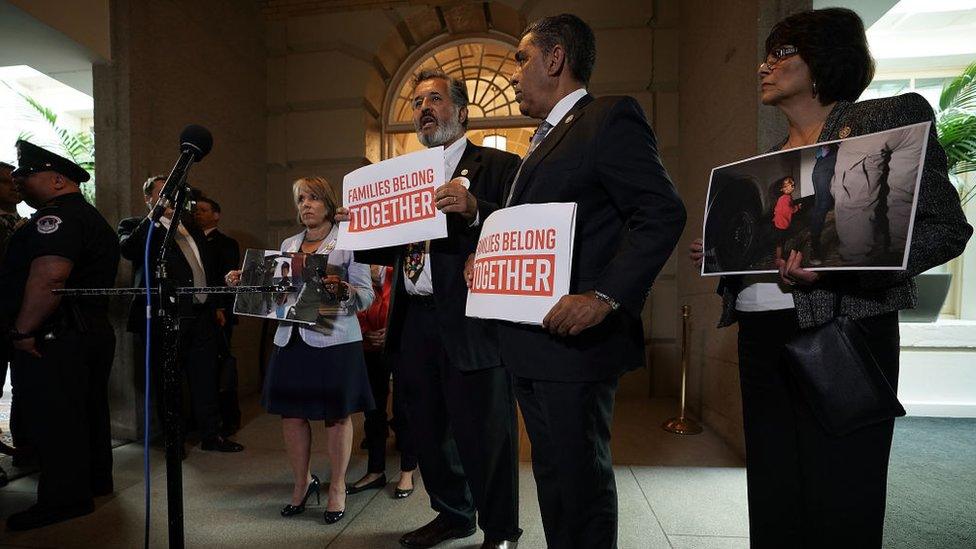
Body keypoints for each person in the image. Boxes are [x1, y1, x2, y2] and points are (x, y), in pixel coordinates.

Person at [689, 8, 972, 548]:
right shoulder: (767, 161)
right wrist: (728, 253)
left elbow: (945, 228)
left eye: (779, 55)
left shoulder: (883, 120)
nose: (762, 67)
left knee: (841, 495)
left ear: (820, 62)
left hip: (838, 334)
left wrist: (842, 267)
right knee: (774, 495)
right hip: (759, 340)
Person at [497, 14, 686, 549]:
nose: (513, 73)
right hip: (532, 345)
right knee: (553, 479)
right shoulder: (539, 142)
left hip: (576, 346)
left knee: (581, 483)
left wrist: (604, 297)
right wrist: (486, 258)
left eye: (520, 57)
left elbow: (661, 211)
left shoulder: (607, 118)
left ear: (555, 59)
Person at [337, 69, 523, 549]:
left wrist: (474, 208)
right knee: (426, 428)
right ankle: (453, 513)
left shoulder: (500, 166)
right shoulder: (400, 178)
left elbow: (523, 228)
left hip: (473, 318)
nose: (424, 108)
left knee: (485, 431)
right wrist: (359, 228)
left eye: (435, 99)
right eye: (417, 101)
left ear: (461, 112)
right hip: (414, 319)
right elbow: (389, 252)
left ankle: (500, 530)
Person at [226, 176, 374, 524]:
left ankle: (337, 486)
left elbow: (365, 296)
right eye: (300, 200)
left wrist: (343, 289)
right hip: (291, 340)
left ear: (328, 203)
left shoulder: (350, 240)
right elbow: (276, 297)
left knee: (337, 415)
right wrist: (246, 281)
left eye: (313, 198)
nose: (305, 205)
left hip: (335, 339)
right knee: (292, 415)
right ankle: (302, 483)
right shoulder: (288, 242)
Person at [0, 141, 118, 530]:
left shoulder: (57, 219)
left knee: (57, 416)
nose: (19, 182)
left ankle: (63, 500)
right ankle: (95, 482)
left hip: (57, 334)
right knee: (87, 412)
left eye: (26, 175)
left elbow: (50, 276)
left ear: (55, 180)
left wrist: (23, 330)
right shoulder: (86, 215)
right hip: (86, 331)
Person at [118, 175, 244, 454]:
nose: (169, 198)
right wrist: (154, 215)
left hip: (201, 315)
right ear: (148, 197)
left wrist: (216, 305)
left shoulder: (190, 226)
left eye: (172, 193)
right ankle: (173, 440)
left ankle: (212, 435)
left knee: (205, 376)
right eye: (162, 193)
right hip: (166, 315)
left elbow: (205, 269)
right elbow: (128, 249)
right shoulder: (136, 225)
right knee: (168, 379)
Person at [349, 264, 417, 499]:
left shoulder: (398, 268)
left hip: (400, 344)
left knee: (404, 408)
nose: (373, 266)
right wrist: (364, 330)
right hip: (368, 344)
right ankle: (375, 471)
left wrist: (393, 330)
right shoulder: (355, 267)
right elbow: (350, 302)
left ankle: (407, 471)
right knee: (373, 410)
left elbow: (412, 304)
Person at [194, 195, 242, 435]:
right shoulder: (189, 240)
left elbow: (227, 278)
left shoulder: (226, 243)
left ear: (216, 215)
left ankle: (229, 418)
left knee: (223, 364)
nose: (198, 213)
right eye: (196, 210)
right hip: (200, 312)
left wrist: (221, 307)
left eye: (204, 210)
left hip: (218, 311)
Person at [0, 160, 24, 484]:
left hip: (20, 318)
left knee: (22, 386)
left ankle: (25, 446)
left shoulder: (21, 220)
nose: (16, 186)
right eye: (7, 182)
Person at [808, 143, 837, 264]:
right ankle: (815, 246)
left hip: (847, 161)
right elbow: (821, 151)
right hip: (826, 166)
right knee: (822, 205)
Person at [771, 175, 801, 257]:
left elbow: (777, 209)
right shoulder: (786, 198)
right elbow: (789, 210)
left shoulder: (782, 198)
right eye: (788, 185)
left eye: (792, 184)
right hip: (782, 224)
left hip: (778, 222)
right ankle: (779, 258)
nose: (792, 185)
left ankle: (780, 256)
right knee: (780, 242)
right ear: (782, 189)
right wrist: (797, 207)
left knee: (780, 242)